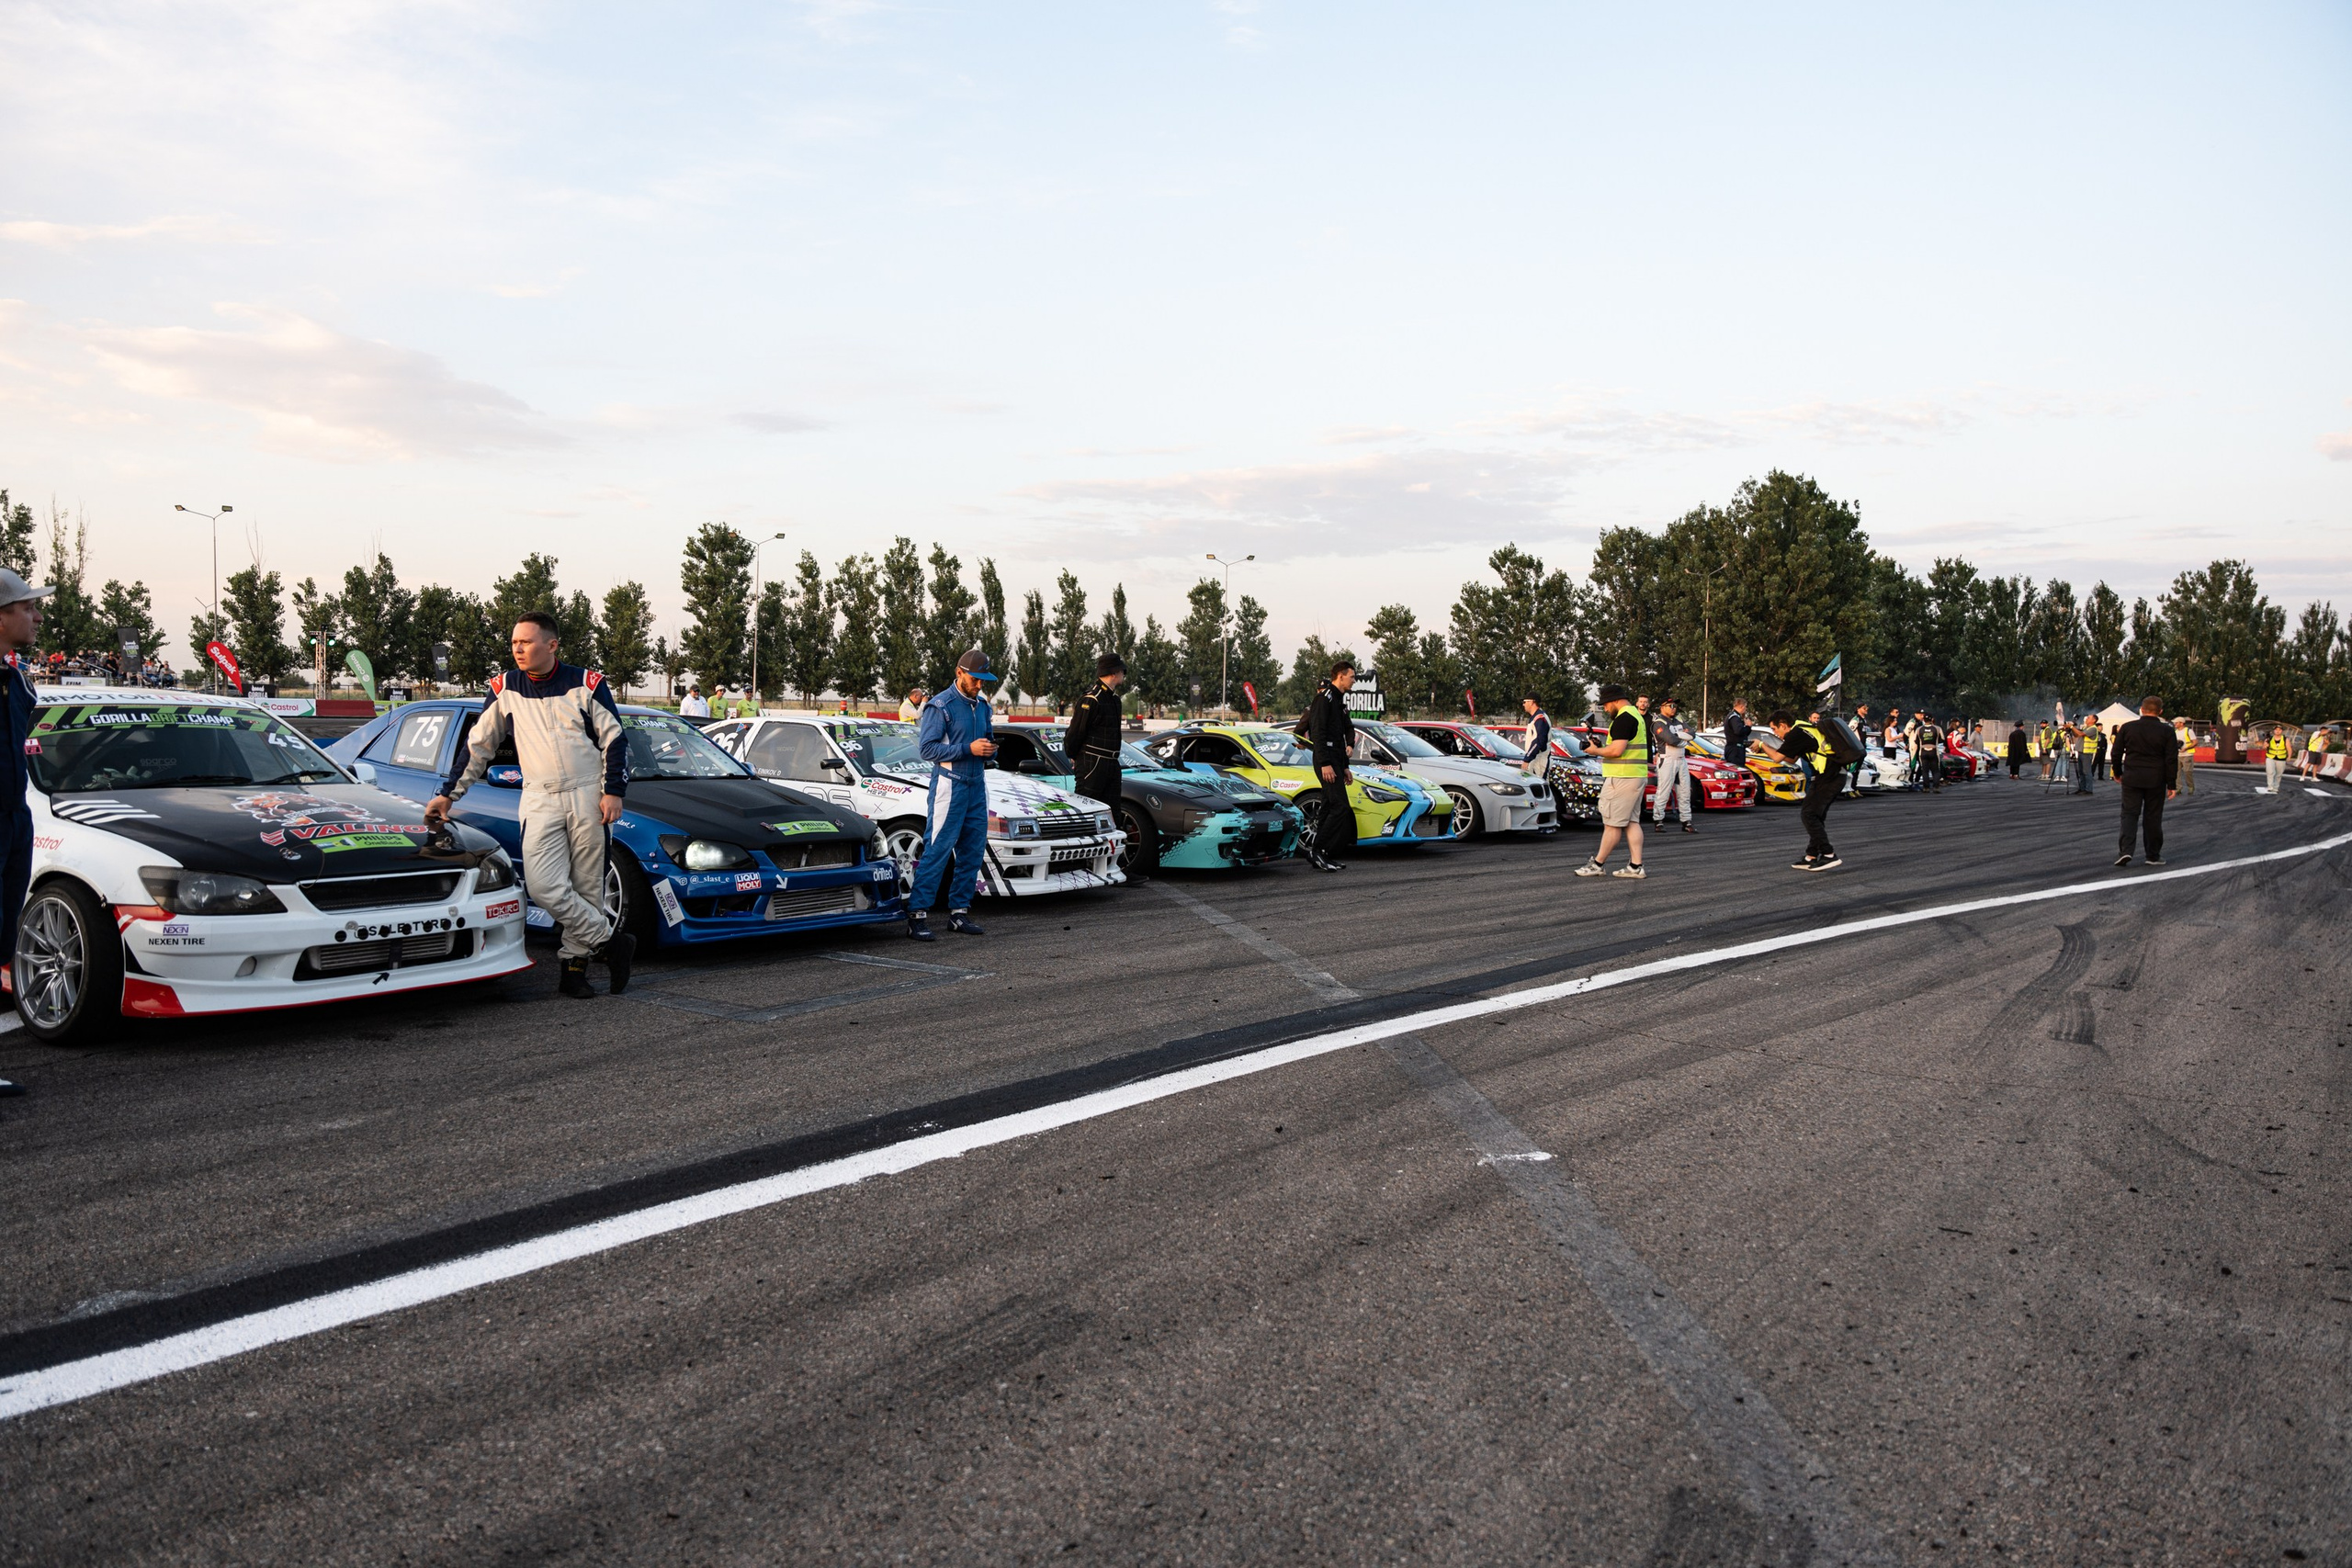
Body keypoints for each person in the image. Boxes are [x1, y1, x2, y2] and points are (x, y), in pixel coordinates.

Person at [428, 612, 633, 999]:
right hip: (538, 796)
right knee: (542, 886)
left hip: (588, 794)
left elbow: (616, 741)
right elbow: (478, 748)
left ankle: (573, 971)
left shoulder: (588, 682)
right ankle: (611, 942)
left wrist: (614, 790)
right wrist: (448, 793)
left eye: (526, 642)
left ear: (552, 645)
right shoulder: (504, 686)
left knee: (586, 886)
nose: (517, 649)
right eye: (514, 643)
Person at [906, 649, 998, 939]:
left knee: (972, 851)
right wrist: (968, 749)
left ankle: (959, 914)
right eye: (975, 678)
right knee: (938, 849)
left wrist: (990, 750)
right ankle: (917, 915)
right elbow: (927, 749)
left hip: (976, 785)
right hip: (949, 786)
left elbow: (987, 739)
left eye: (984, 680)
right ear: (959, 673)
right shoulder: (939, 706)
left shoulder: (983, 706)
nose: (980, 685)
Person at [0, 571, 49, 1096]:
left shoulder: (16, 678)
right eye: (28, 608)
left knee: (1, 936)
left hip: (15, 817)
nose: (36, 618)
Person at [1754, 708, 1842, 871]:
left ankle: (1829, 854)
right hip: (1831, 775)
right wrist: (1765, 750)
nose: (1776, 734)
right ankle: (1811, 856)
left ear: (1783, 725)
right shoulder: (1802, 730)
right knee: (1814, 815)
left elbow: (1777, 758)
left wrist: (1761, 744)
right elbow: (1790, 759)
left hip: (1829, 776)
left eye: (1774, 729)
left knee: (1808, 814)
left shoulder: (1796, 733)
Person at [1576, 683, 1647, 879]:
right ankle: (1635, 866)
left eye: (1606, 705)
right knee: (1632, 822)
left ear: (1615, 701)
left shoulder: (1623, 718)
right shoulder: (1636, 715)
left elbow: (1616, 751)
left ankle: (1598, 864)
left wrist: (1594, 751)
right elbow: (1620, 746)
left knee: (1612, 824)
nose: (1606, 709)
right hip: (1636, 776)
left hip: (1622, 778)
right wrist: (1601, 747)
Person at [1300, 660, 1359, 873]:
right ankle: (1319, 850)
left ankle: (1320, 853)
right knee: (1340, 806)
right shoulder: (1323, 699)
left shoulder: (1339, 701)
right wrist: (1325, 763)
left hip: (1335, 760)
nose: (1354, 680)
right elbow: (1318, 733)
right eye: (1352, 676)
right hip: (1325, 761)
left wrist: (1344, 767)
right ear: (1340, 676)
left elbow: (1341, 737)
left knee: (1328, 806)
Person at [2111, 696, 2179, 866]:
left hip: (2132, 777)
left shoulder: (2128, 728)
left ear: (2141, 709)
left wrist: (2118, 773)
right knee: (2153, 817)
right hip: (2156, 779)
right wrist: (2172, 784)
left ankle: (2126, 851)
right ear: (2161, 711)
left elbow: (2116, 752)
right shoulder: (2167, 730)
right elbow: (2171, 759)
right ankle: (2153, 855)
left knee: (2129, 814)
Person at [1066, 654, 1126, 816]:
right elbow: (1076, 732)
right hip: (1093, 763)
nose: (1123, 675)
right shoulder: (1092, 699)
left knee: (1113, 813)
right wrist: (1073, 755)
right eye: (1122, 671)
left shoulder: (1115, 700)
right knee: (1087, 810)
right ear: (1114, 672)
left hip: (1112, 763)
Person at [1650, 696, 1696, 832]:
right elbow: (1670, 739)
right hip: (1667, 759)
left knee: (1685, 791)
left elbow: (1692, 733)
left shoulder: (1679, 720)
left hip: (1681, 759)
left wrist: (1678, 735)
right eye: (1670, 706)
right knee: (1663, 791)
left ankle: (1686, 822)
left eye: (1675, 706)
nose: (1673, 708)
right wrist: (1683, 739)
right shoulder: (1658, 722)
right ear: (1662, 707)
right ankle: (1658, 821)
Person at [1520, 694, 1553, 778]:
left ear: (1531, 702)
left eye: (1524, 702)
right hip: (1535, 759)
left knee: (1539, 787)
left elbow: (1538, 741)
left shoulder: (1540, 718)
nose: (1523, 704)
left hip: (1540, 760)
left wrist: (1527, 759)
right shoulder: (1535, 718)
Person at [1722, 697, 1752, 771]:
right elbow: (1739, 731)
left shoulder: (1734, 716)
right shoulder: (1734, 717)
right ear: (1742, 706)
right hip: (1735, 750)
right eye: (1745, 706)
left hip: (1736, 749)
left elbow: (1742, 734)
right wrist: (1748, 726)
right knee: (1737, 770)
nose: (1745, 709)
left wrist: (1748, 729)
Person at [2173, 717, 2198, 795]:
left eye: (2176, 722)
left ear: (2181, 723)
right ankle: (2178, 788)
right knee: (2176, 772)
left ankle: (2190, 787)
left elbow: (2195, 742)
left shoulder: (2188, 731)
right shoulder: (2175, 732)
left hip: (2187, 754)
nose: (2175, 724)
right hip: (2178, 754)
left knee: (2187, 772)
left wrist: (2186, 748)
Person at [2265, 725, 2291, 795]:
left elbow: (2289, 748)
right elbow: (2263, 747)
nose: (2278, 731)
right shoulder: (2269, 738)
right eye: (2276, 730)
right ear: (2274, 731)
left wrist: (2289, 756)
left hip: (2281, 758)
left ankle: (2276, 787)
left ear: (2281, 731)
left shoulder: (2285, 739)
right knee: (2270, 771)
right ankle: (2270, 786)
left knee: (2279, 774)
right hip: (2270, 756)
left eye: (2279, 730)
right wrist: (2265, 744)